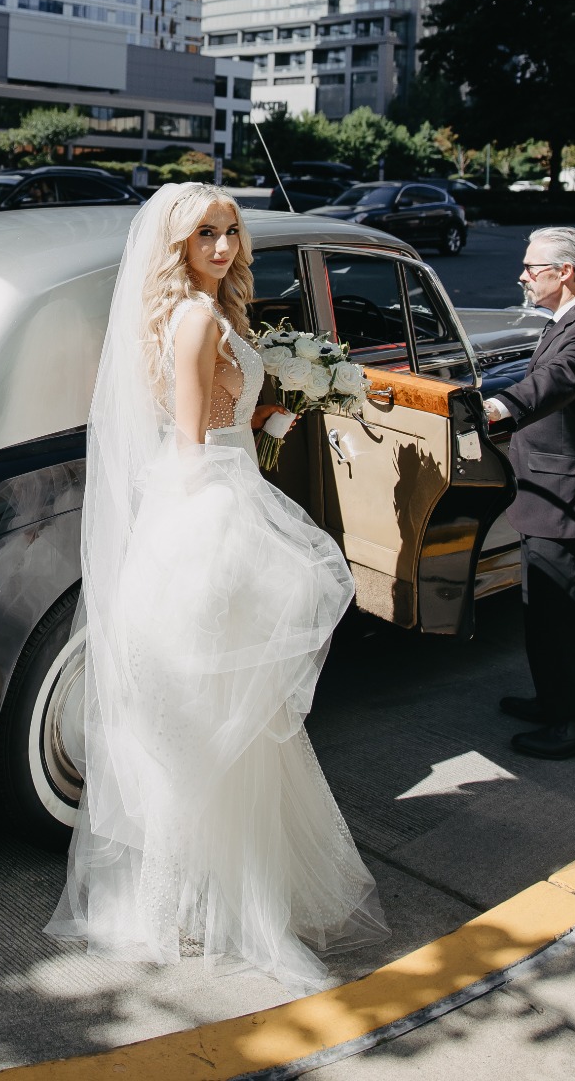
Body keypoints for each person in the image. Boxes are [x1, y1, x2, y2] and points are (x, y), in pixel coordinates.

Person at [46, 183, 385, 987]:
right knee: (220, 722)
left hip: (206, 500)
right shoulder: (198, 320)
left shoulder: (201, 313)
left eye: (232, 231)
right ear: (178, 245)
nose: (226, 247)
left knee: (220, 721)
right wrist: (228, 537)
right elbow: (194, 446)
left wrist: (270, 417)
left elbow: (209, 423)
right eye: (207, 234)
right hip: (205, 515)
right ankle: (205, 909)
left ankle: (197, 900)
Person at [484, 227, 575, 760]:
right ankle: (553, 702)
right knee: (541, 611)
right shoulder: (567, 321)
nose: (522, 275)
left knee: (563, 621)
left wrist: (500, 408)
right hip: (546, 493)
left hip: (571, 501)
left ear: (564, 272)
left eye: (531, 267)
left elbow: (556, 380)